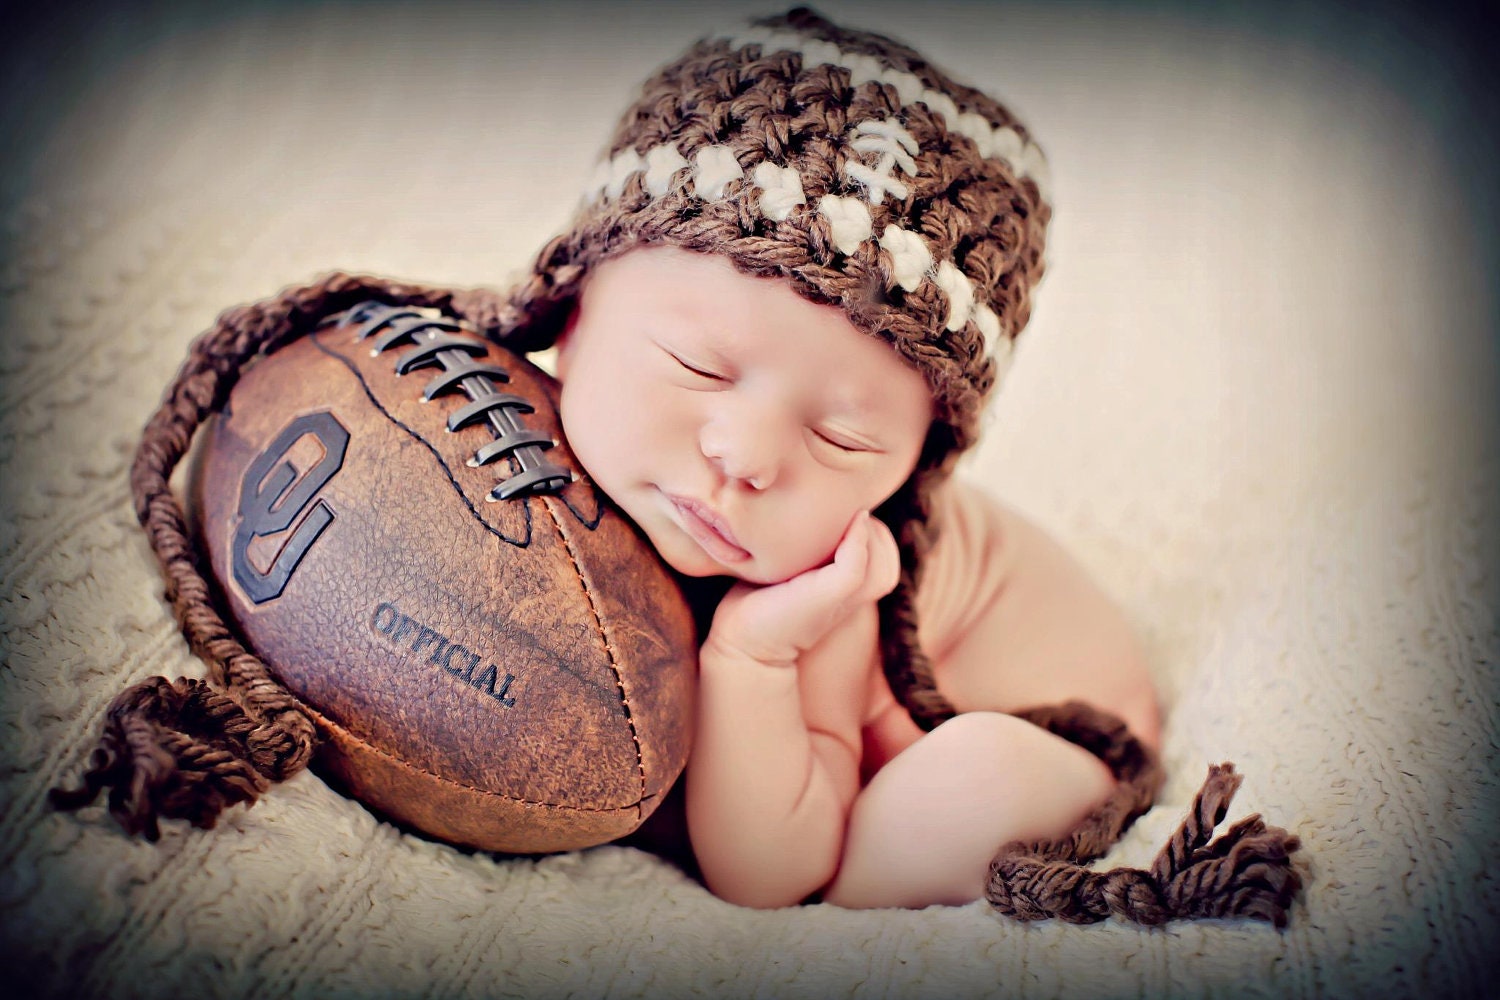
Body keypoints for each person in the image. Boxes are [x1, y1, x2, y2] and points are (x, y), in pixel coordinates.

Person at [490, 7, 1161, 909]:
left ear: (913, 471)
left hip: (1047, 734)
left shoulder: (835, 582)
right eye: (698, 366)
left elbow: (771, 869)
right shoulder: (495, 421)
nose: (746, 458)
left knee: (954, 791)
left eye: (843, 439)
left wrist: (751, 660)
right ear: (566, 313)